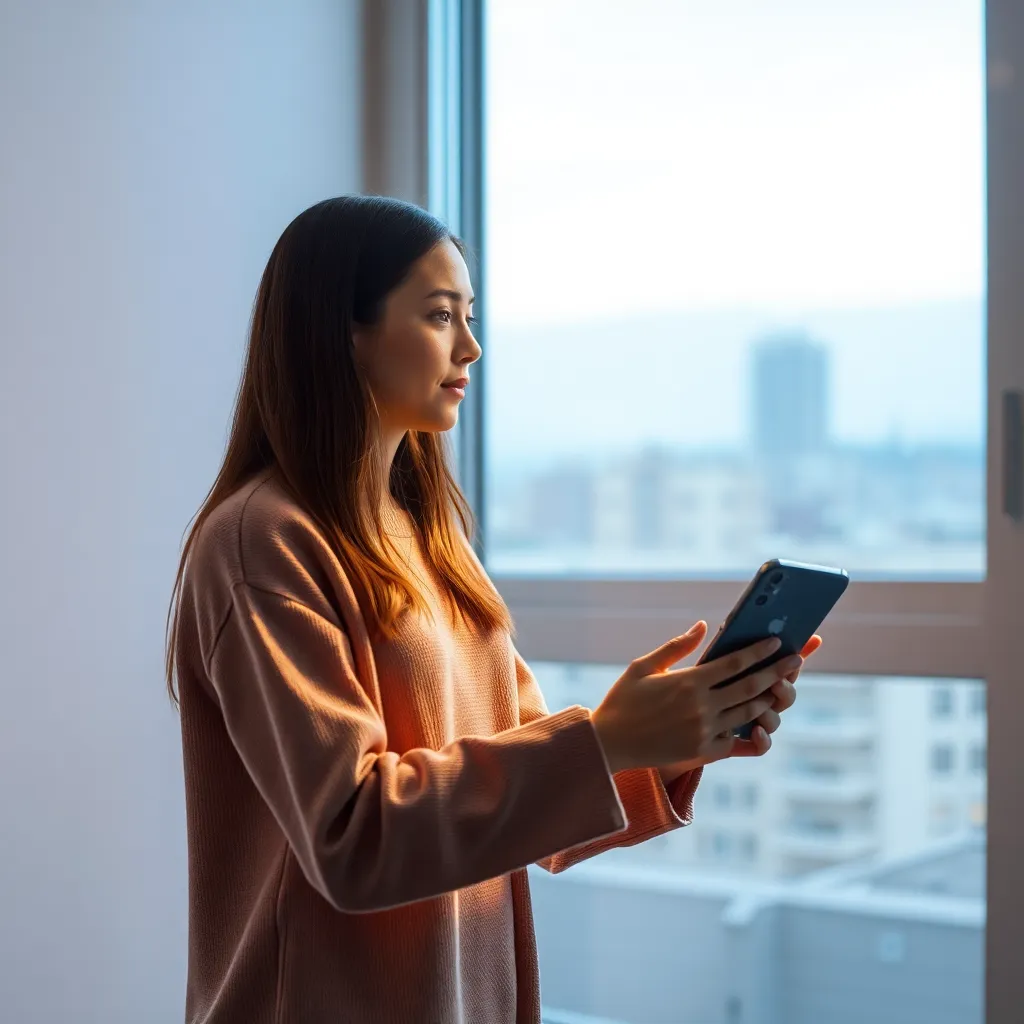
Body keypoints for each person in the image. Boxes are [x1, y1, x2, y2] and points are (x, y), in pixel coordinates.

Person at [165, 195, 819, 1024]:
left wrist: (677, 737)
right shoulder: (262, 543)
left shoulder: (429, 538)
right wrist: (609, 737)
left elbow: (529, 793)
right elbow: (353, 835)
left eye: (468, 316)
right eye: (440, 316)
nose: (470, 347)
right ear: (344, 331)